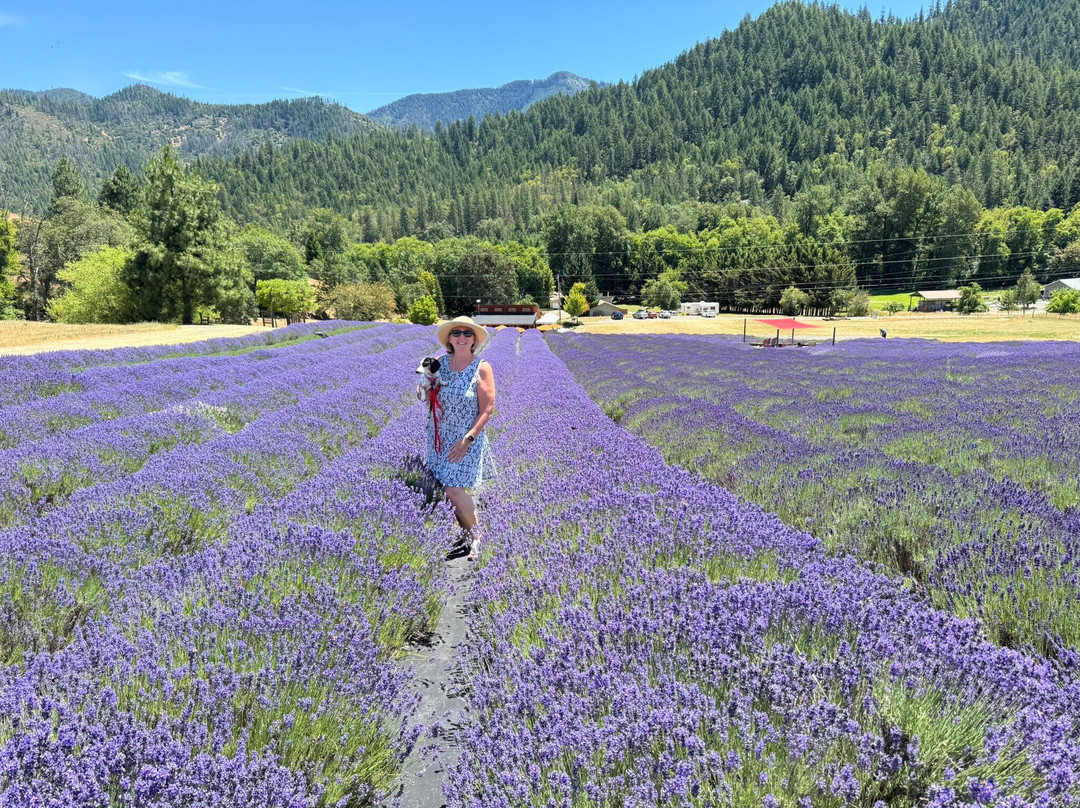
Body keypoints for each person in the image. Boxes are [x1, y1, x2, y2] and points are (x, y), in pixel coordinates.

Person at [417, 316, 497, 561]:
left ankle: (477, 537)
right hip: (440, 438)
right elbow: (421, 396)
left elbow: (487, 409)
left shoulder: (482, 367)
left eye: (467, 334)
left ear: (474, 340)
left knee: (453, 490)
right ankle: (465, 531)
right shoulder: (439, 362)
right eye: (457, 333)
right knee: (448, 489)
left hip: (466, 440)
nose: (462, 337)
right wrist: (425, 383)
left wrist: (467, 441)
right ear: (450, 339)